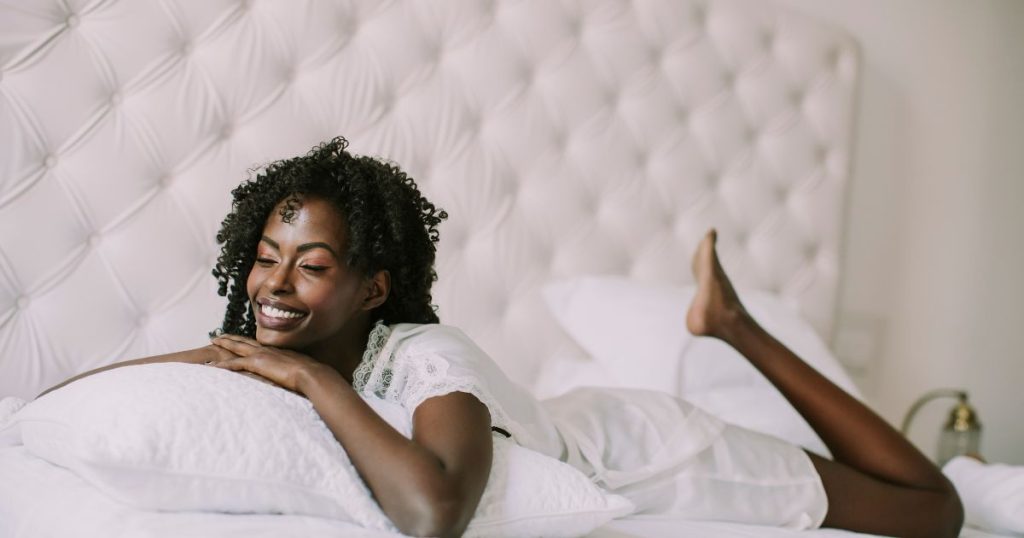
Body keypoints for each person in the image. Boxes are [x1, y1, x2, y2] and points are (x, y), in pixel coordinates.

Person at [39, 137, 963, 538]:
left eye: (311, 266)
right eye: (266, 258)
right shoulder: (290, 345)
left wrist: (318, 385)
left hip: (660, 453)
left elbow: (434, 511)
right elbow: (133, 385)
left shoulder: (430, 358)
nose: (275, 287)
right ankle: (725, 325)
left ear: (374, 287)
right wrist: (48, 409)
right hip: (586, 419)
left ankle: (735, 326)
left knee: (933, 512)